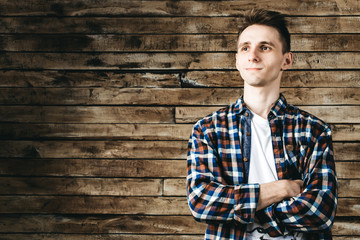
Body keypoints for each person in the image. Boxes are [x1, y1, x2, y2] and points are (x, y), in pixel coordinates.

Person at [186, 8, 337, 240]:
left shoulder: (313, 130)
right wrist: (282, 189)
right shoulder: (208, 130)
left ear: (286, 60)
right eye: (245, 48)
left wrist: (242, 206)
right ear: (237, 60)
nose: (253, 56)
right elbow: (201, 201)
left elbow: (320, 211)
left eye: (264, 47)